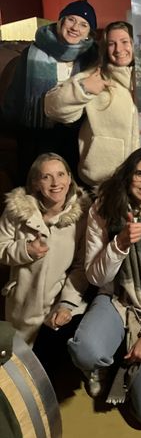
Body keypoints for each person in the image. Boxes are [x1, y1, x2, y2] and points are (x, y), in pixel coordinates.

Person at [68, 146, 141, 428]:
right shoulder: (103, 206)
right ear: (128, 174)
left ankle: (134, 361)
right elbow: (96, 277)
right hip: (116, 295)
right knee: (86, 351)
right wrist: (119, 244)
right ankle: (106, 360)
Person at [0, 153, 91, 370]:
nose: (55, 182)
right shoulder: (16, 211)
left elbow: (81, 265)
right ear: (35, 183)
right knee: (15, 367)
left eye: (60, 175)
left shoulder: (83, 215)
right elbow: (1, 248)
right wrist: (26, 250)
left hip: (57, 307)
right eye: (46, 177)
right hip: (22, 304)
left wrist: (67, 303)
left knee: (47, 370)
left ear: (69, 179)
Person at [1, 0, 98, 184]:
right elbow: (14, 98)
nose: (75, 27)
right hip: (37, 137)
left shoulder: (92, 57)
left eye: (83, 24)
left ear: (88, 32)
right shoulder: (31, 53)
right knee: (36, 189)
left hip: (76, 137)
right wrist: (17, 131)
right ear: (61, 21)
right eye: (71, 19)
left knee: (73, 192)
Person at [45, 21, 139, 188]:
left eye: (125, 42)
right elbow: (52, 108)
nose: (118, 50)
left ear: (135, 43)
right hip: (102, 182)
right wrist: (83, 89)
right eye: (112, 43)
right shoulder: (95, 75)